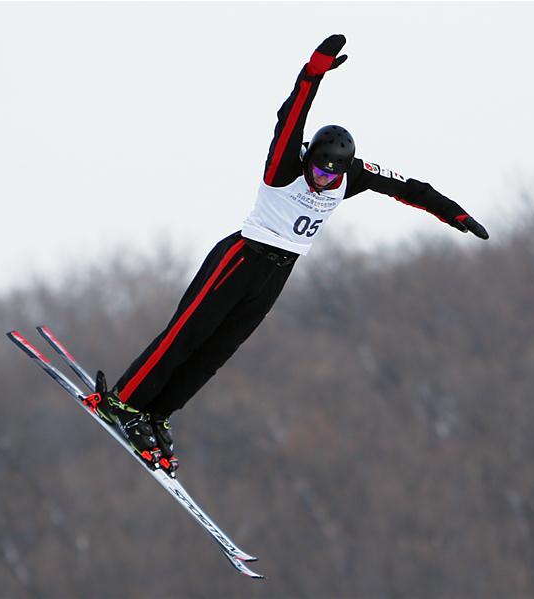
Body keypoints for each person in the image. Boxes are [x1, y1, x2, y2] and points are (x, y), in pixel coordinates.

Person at [90, 34, 489, 472]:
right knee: (185, 335)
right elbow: (290, 117)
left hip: (276, 274)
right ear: (309, 160)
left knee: (215, 353)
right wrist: (312, 73)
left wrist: (456, 216)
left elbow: (408, 188)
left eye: (331, 173)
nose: (322, 179)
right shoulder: (286, 165)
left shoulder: (347, 175)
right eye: (318, 168)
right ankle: (124, 402)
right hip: (241, 259)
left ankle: (156, 411)